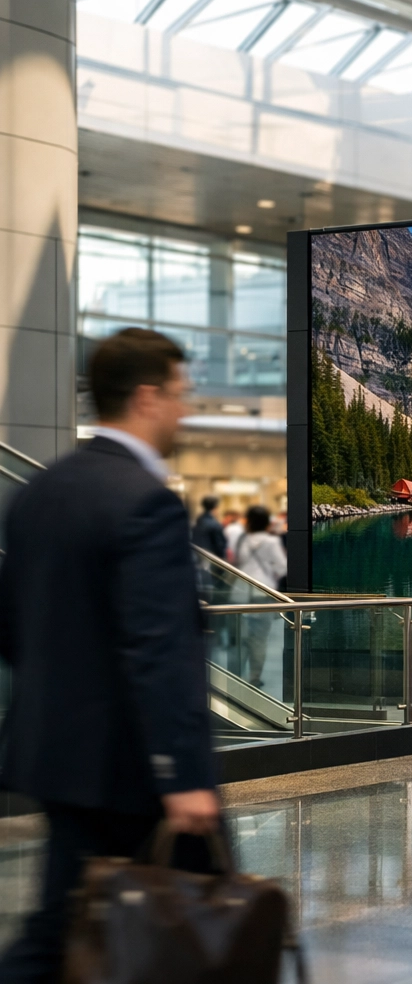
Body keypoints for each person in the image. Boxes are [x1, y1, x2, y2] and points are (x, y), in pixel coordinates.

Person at [0, 328, 220, 983]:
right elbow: (159, 648)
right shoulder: (145, 503)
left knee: (60, 927)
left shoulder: (41, 491)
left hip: (56, 756)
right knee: (203, 932)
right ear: (147, 397)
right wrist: (181, 773)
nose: (186, 410)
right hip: (132, 769)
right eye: (181, 394)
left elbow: (12, 626)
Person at [233, 505, 287, 690]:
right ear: (266, 523)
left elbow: (237, 564)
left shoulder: (243, 540)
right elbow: (282, 568)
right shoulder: (271, 542)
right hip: (263, 594)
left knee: (240, 638)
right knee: (259, 639)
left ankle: (234, 676)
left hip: (240, 595)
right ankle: (254, 677)